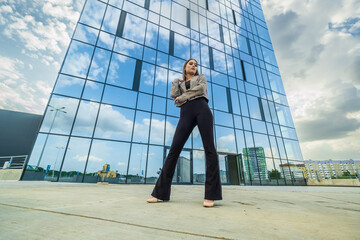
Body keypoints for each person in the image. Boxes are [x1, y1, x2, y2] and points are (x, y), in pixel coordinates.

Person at [146, 58, 222, 207]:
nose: (194, 66)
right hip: (186, 113)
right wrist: (176, 82)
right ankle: (160, 194)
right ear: (185, 67)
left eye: (196, 65)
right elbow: (173, 95)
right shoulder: (179, 84)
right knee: (174, 150)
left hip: (202, 108)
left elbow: (200, 90)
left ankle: (211, 195)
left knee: (209, 148)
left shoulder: (201, 78)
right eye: (191, 64)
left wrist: (182, 97)